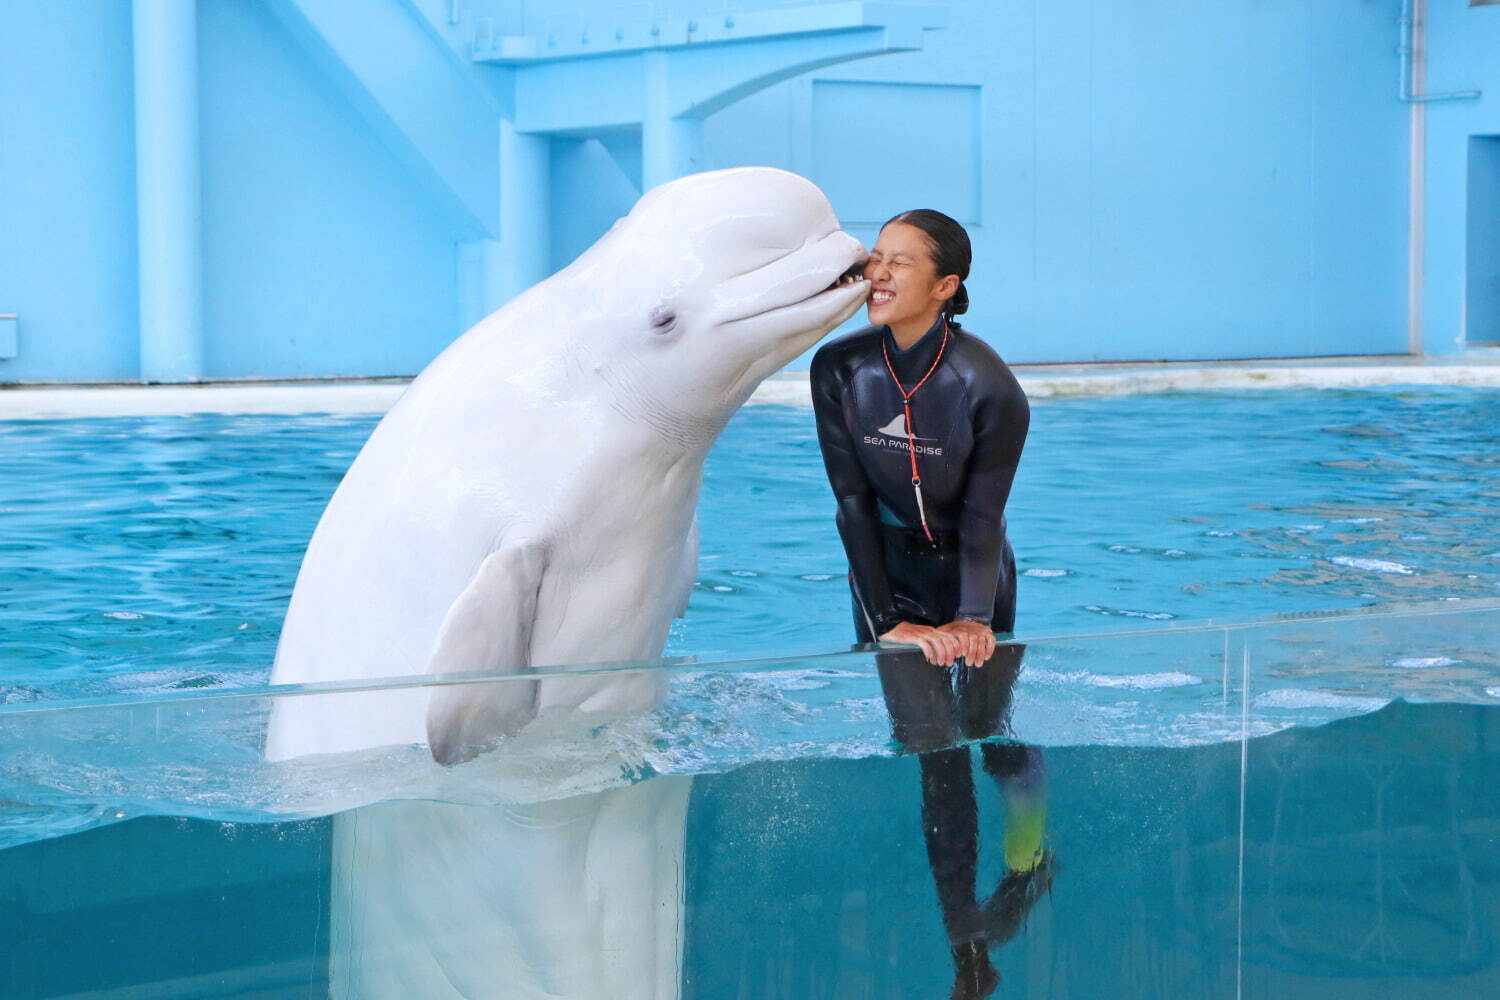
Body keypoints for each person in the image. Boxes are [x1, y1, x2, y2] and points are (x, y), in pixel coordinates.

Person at [810, 210, 1054, 1000]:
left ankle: (1031, 856)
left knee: (987, 735)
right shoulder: (838, 368)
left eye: (900, 263)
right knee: (933, 758)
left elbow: (982, 520)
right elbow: (850, 505)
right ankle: (969, 952)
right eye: (874, 259)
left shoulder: (989, 386)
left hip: (975, 580)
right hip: (888, 585)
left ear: (946, 287)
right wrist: (890, 622)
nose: (877, 275)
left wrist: (973, 620)